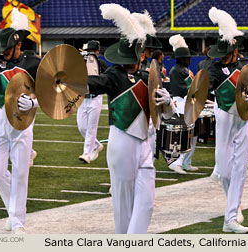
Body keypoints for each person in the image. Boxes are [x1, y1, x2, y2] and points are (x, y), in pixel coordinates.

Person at [88, 3, 176, 234]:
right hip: (122, 141)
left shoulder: (148, 76)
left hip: (146, 144)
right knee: (123, 206)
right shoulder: (113, 75)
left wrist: (167, 101)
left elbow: (166, 115)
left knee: (146, 203)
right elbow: (94, 85)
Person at [207, 7, 248, 233]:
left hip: (244, 119)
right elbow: (205, 87)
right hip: (224, 119)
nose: (222, 57)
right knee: (223, 171)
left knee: (240, 169)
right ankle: (235, 202)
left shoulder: (245, 66)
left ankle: (230, 218)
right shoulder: (212, 68)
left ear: (234, 51)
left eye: (226, 53)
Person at [0, 8, 40, 234]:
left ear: (18, 46)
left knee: (20, 172)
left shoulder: (33, 63)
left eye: (9, 48)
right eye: (3, 49)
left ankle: (18, 223)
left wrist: (34, 103)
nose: (4, 53)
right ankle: (13, 210)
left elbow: (51, 93)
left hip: (23, 120)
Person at [167, 34, 198, 174]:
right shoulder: (175, 71)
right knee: (185, 134)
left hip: (189, 102)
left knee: (194, 134)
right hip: (181, 103)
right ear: (182, 58)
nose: (190, 59)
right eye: (188, 57)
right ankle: (177, 162)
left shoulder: (186, 70)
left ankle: (186, 162)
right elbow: (182, 90)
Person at [77, 40, 107, 163]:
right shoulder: (80, 63)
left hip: (95, 98)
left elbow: (107, 77)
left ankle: (86, 154)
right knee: (82, 127)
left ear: (97, 52)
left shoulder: (101, 64)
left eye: (91, 51)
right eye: (88, 51)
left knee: (91, 128)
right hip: (83, 98)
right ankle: (97, 145)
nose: (89, 54)